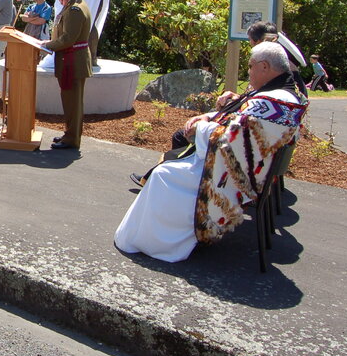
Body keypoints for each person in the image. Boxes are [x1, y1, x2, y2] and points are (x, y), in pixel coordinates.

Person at [115, 43, 307, 263]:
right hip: (250, 168)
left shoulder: (272, 101)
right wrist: (209, 116)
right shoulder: (286, 95)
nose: (248, 71)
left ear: (264, 66)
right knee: (170, 163)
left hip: (235, 177)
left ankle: (158, 242)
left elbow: (230, 140)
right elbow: (243, 123)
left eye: (251, 66)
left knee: (163, 175)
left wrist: (200, 128)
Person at [33, 0, 91, 150]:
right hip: (71, 60)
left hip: (73, 62)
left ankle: (72, 138)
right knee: (71, 101)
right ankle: (70, 134)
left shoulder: (75, 9)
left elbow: (68, 39)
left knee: (73, 103)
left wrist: (47, 45)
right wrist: (49, 43)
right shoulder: (73, 6)